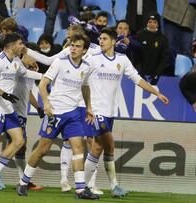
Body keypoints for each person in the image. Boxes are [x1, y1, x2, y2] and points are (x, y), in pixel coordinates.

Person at [83, 28, 169, 198]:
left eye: (105, 38)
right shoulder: (92, 59)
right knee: (109, 144)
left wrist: (156, 93)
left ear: (114, 41)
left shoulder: (122, 60)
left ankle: (83, 186)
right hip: (97, 110)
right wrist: (88, 107)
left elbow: (137, 79)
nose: (101, 41)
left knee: (99, 147)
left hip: (110, 111)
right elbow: (83, 83)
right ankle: (110, 186)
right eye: (100, 38)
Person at [16, 34, 99, 200]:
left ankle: (80, 190)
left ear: (84, 50)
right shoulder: (60, 62)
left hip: (73, 113)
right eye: (71, 45)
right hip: (55, 112)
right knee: (42, 149)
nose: (73, 49)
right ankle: (23, 182)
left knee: (78, 148)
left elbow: (85, 86)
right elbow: (43, 85)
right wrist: (46, 103)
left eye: (77, 46)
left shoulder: (87, 67)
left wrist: (89, 106)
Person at [0, 33, 42, 190]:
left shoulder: (15, 61)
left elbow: (26, 73)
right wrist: (5, 94)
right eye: (20, 43)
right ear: (11, 45)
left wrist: (48, 76)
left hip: (8, 109)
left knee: (19, 141)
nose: (22, 46)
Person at [134, 12, 171, 84]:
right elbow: (135, 55)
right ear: (146, 23)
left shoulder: (163, 39)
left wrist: (157, 73)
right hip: (139, 73)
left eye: (154, 22)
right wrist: (138, 71)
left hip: (155, 76)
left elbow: (164, 59)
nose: (152, 24)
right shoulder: (139, 35)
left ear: (158, 24)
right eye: (149, 22)